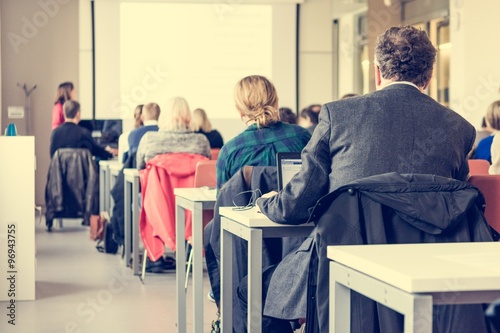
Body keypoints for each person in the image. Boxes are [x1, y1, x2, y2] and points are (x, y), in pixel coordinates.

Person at [242, 25, 478, 333]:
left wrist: (267, 202)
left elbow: (296, 205)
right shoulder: (460, 128)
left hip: (344, 269)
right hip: (428, 277)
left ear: (377, 72)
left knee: (249, 290)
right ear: (429, 77)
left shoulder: (338, 115)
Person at [216, 75, 311, 189]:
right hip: (298, 207)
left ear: (240, 111)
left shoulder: (230, 152)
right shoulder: (302, 136)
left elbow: (223, 202)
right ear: (276, 104)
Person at [136, 97, 211, 170]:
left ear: (163, 115)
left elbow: (140, 168)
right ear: (189, 116)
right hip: (193, 183)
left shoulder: (149, 139)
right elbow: (206, 169)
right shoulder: (201, 141)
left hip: (158, 182)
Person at [49, 100, 113, 160]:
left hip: (59, 171)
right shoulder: (83, 133)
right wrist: (109, 153)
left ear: (64, 114)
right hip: (79, 171)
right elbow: (97, 151)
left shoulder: (55, 133)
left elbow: (53, 156)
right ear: (78, 113)